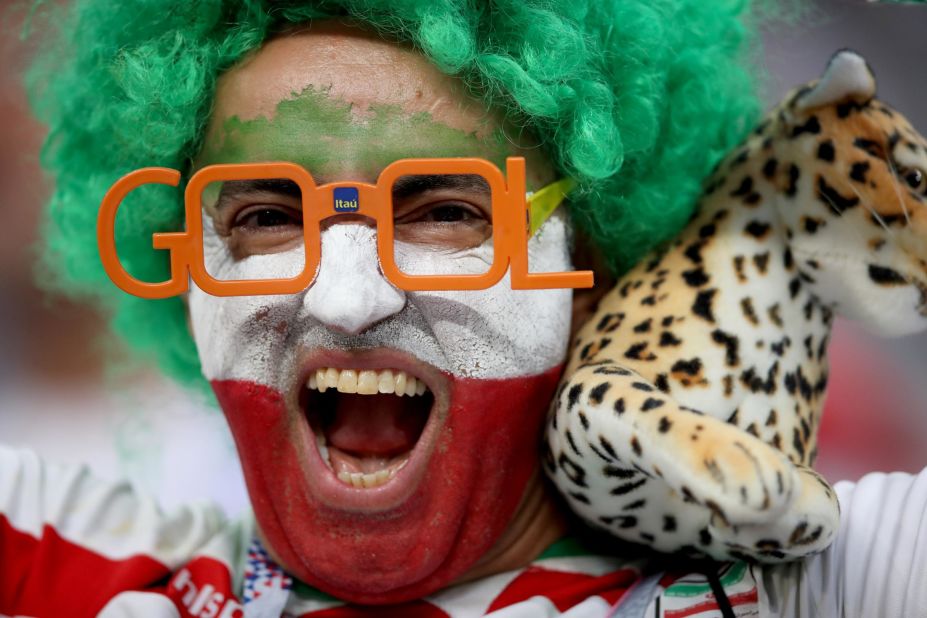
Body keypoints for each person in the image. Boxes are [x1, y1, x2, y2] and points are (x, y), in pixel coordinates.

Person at [3, 1, 926, 616]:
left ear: (592, 265)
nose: (347, 301)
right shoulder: (76, 573)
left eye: (446, 212)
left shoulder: (806, 588)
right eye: (268, 216)